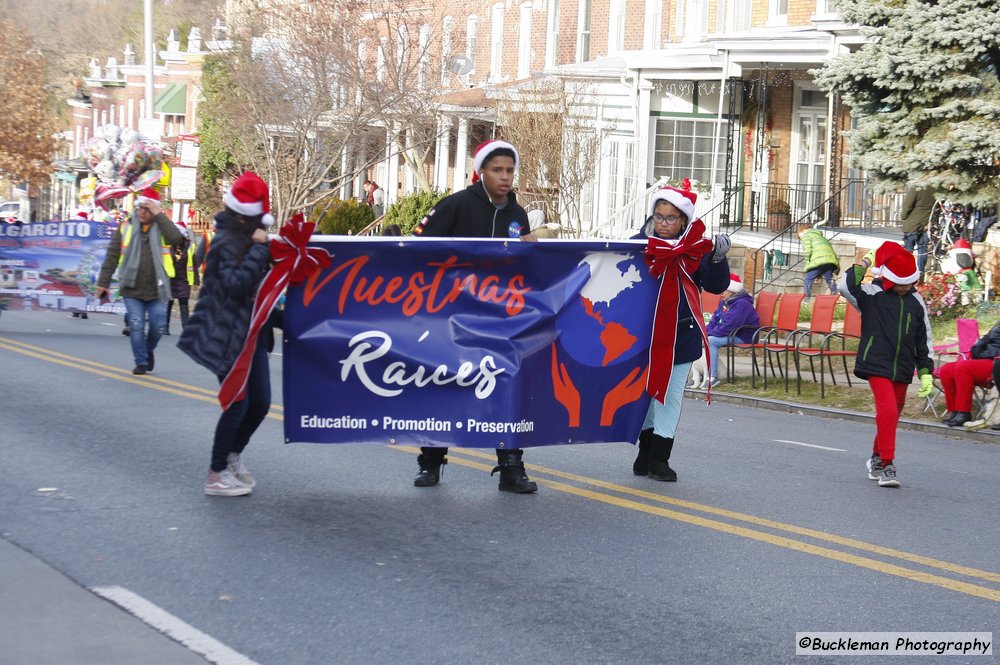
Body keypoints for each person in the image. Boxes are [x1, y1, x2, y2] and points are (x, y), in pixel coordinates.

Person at [411, 139, 539, 493]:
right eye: (497, 169)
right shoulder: (455, 206)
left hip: (500, 319)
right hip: (451, 316)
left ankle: (511, 468)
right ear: (480, 171)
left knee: (505, 389)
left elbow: (522, 269)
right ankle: (431, 462)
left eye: (510, 170)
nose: (504, 177)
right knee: (445, 388)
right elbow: (417, 245)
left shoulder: (518, 214)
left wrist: (529, 251)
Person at [178, 172, 276, 497]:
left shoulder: (249, 242)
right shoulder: (225, 242)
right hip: (227, 338)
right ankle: (215, 474)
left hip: (252, 337)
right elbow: (236, 286)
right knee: (237, 404)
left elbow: (258, 295)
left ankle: (233, 455)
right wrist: (260, 252)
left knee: (260, 403)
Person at [631, 185, 731, 481]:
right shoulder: (639, 244)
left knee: (671, 395)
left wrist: (717, 259)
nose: (663, 223)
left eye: (671, 218)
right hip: (645, 335)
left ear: (684, 220)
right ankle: (645, 453)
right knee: (649, 394)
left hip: (681, 335)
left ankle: (659, 458)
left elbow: (715, 286)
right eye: (659, 217)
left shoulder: (696, 250)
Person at [845, 242, 934, 488]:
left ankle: (875, 457)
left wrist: (926, 372)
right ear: (891, 279)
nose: (906, 287)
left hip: (903, 367)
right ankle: (887, 465)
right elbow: (845, 285)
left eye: (910, 282)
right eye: (902, 282)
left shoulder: (917, 301)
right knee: (888, 412)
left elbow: (923, 338)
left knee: (891, 417)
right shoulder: (872, 294)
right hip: (876, 364)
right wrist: (865, 263)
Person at [95, 188, 182, 374]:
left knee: (158, 327)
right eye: (140, 208)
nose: (142, 212)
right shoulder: (125, 226)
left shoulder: (162, 227)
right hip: (132, 287)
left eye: (147, 208)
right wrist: (103, 282)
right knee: (136, 325)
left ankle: (148, 351)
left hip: (158, 288)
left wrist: (160, 215)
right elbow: (111, 256)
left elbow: (176, 238)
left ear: (155, 210)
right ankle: (141, 361)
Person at [938, 321, 1000, 427]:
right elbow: (980, 343)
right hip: (985, 359)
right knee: (946, 369)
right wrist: (976, 351)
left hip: (996, 363)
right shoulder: (996, 326)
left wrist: (983, 354)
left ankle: (964, 412)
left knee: (964, 367)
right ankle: (955, 411)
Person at [703, 273, 759, 389]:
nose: (722, 293)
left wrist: (709, 334)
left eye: (725, 290)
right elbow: (714, 320)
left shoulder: (742, 304)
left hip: (744, 336)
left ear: (733, 291)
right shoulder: (725, 302)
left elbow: (729, 326)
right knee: (700, 338)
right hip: (731, 333)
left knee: (711, 341)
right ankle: (698, 376)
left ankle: (712, 377)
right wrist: (703, 332)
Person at [166, 221, 195, 334]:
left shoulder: (189, 247)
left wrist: (195, 280)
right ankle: (165, 327)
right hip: (170, 278)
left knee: (184, 301)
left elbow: (194, 263)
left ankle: (185, 328)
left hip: (183, 279)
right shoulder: (168, 244)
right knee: (169, 302)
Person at [900, 187, 937, 275]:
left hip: (913, 223)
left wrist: (903, 216)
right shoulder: (935, 188)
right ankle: (920, 274)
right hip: (926, 223)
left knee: (908, 251)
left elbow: (908, 205)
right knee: (923, 250)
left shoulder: (916, 187)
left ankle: (906, 273)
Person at [797, 224, 839, 301]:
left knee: (808, 280)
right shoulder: (820, 236)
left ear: (802, 231)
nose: (800, 239)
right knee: (829, 278)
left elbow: (807, 251)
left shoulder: (806, 236)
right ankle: (835, 294)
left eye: (800, 237)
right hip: (829, 260)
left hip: (818, 260)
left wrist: (807, 263)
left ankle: (806, 299)